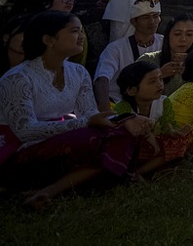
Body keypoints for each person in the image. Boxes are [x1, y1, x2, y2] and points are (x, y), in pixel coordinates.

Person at [0, 11, 146, 208]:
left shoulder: (77, 72)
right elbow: (25, 131)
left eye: (81, 31)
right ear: (49, 40)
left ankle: (48, 191)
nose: (82, 36)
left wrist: (126, 119)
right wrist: (85, 123)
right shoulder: (17, 78)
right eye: (75, 31)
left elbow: (90, 114)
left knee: (124, 132)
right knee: (93, 140)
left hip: (59, 141)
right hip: (16, 150)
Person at [113, 60, 191, 173]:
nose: (159, 84)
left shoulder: (164, 102)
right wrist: (150, 139)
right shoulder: (123, 108)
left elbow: (168, 124)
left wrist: (173, 132)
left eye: (160, 78)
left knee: (180, 142)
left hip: (154, 146)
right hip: (132, 149)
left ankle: (139, 172)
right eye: (152, 81)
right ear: (132, 90)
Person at [94, 0, 164, 111]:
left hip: (155, 106)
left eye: (155, 16)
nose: (152, 22)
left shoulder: (164, 43)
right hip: (119, 105)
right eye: (146, 17)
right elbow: (101, 78)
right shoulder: (116, 48)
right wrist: (104, 107)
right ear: (133, 21)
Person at [139, 13, 193, 95]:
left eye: (189, 34)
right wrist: (160, 75)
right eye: (177, 34)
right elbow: (133, 91)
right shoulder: (148, 60)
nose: (183, 39)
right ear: (168, 35)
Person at [42, 0, 87, 67]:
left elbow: (80, 55)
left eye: (71, 0)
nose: (69, 2)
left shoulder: (76, 24)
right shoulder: (38, 22)